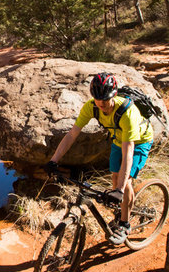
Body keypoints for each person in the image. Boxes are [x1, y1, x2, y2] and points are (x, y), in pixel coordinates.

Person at [45, 73, 154, 245]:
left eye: (105, 98)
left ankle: (125, 224)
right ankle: (121, 208)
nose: (101, 103)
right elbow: (72, 134)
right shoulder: (91, 107)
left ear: (115, 94)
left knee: (124, 184)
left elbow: (128, 153)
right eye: (97, 98)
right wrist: (53, 160)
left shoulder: (128, 113)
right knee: (114, 177)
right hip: (118, 140)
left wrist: (119, 190)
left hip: (139, 141)